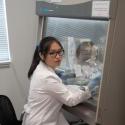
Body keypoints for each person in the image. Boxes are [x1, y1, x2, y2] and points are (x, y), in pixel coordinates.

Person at [22, 36, 91, 125]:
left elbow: (60, 88)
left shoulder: (41, 68)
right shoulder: (47, 76)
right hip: (40, 122)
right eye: (52, 53)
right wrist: (89, 90)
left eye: (60, 52)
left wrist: (80, 88)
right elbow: (70, 100)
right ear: (42, 55)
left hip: (38, 118)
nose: (58, 57)